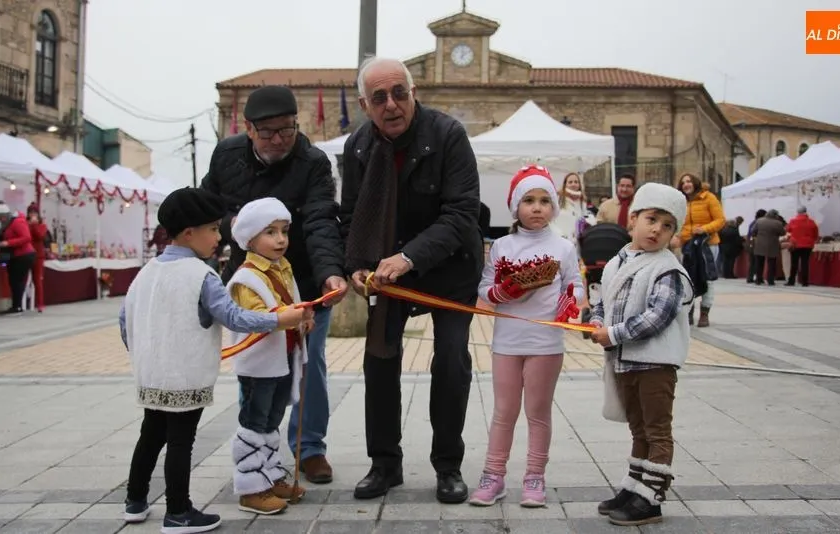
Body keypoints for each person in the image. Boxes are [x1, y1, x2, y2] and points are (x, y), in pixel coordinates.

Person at [118, 187, 308, 533]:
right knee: (180, 440)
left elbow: (124, 320)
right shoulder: (201, 275)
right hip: (186, 373)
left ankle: (135, 501)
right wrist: (277, 320)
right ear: (190, 233)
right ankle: (178, 511)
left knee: (151, 434)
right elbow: (234, 317)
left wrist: (144, 356)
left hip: (150, 374)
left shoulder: (145, 272)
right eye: (213, 230)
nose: (219, 238)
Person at [340, 56, 484, 504]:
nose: (392, 104)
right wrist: (358, 264)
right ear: (366, 104)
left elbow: (462, 214)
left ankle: (448, 466)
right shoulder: (358, 146)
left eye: (399, 93)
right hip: (388, 269)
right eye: (379, 97)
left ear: (413, 92)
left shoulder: (448, 135)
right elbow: (351, 216)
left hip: (450, 267)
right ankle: (384, 464)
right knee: (379, 360)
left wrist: (408, 257)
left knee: (450, 361)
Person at [200, 85, 346, 484]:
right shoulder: (226, 155)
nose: (280, 140)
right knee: (255, 366)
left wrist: (331, 271)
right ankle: (259, 447)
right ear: (249, 129)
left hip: (302, 280)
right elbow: (206, 208)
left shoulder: (314, 162)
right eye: (268, 132)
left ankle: (310, 447)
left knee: (307, 363)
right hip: (249, 284)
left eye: (288, 129)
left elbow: (320, 219)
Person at [469, 166, 582, 508]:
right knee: (503, 412)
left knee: (538, 412)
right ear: (515, 206)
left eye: (545, 201)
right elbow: (485, 290)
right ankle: (493, 475)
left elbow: (576, 287)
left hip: (546, 346)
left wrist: (568, 304)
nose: (537, 207)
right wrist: (506, 290)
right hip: (506, 343)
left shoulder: (563, 247)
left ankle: (535, 477)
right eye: (529, 200)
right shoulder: (502, 245)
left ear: (554, 207)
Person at [588, 183, 693, 527]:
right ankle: (634, 488)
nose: (657, 230)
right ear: (633, 219)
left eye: (667, 225)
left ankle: (652, 498)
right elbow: (602, 300)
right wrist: (596, 321)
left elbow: (657, 316)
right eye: (652, 219)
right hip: (626, 361)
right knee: (638, 430)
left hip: (655, 364)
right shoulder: (618, 261)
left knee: (657, 430)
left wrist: (612, 334)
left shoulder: (667, 269)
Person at [225, 197, 314, 515]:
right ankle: (250, 488)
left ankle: (270, 474)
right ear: (250, 239)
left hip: (283, 359)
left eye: (284, 231)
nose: (280, 239)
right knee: (254, 422)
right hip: (259, 365)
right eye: (271, 232)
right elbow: (255, 317)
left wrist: (304, 318)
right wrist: (287, 316)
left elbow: (294, 305)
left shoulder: (283, 268)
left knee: (273, 420)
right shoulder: (246, 278)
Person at [675, 174, 725, 327]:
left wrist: (704, 229)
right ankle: (689, 312)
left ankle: (704, 313)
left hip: (707, 244)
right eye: (683, 182)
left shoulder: (708, 198)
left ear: (695, 182)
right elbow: (678, 223)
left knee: (707, 278)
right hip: (688, 245)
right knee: (687, 279)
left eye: (689, 181)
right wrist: (681, 235)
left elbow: (720, 220)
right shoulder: (680, 201)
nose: (686, 184)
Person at [0, 202, 35, 315]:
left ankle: (18, 306)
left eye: (1, 217)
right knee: (13, 280)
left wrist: (8, 243)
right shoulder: (7, 224)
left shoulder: (17, 222)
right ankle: (15, 305)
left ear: (6, 215)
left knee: (17, 280)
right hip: (14, 255)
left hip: (23, 255)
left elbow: (26, 238)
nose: (0, 220)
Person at [554, 172, 595, 245]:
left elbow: (585, 217)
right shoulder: (558, 199)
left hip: (578, 244)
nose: (573, 184)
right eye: (570, 182)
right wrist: (560, 235)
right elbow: (551, 221)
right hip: (561, 241)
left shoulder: (583, 201)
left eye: (576, 182)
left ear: (579, 185)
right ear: (565, 184)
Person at [785, 206, 819, 287]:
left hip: (795, 245)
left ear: (798, 212)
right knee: (805, 263)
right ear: (805, 212)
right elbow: (816, 234)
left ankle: (791, 281)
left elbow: (787, 230)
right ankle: (805, 282)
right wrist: (812, 240)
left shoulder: (793, 221)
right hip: (807, 245)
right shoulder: (811, 222)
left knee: (794, 263)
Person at [751, 210, 786, 286]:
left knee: (759, 263)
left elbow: (753, 231)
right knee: (771, 263)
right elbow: (783, 233)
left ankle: (758, 279)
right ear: (775, 215)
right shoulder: (778, 223)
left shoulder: (759, 221)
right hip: (772, 244)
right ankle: (770, 280)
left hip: (760, 244)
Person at [26, 203, 48, 312]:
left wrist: (34, 225)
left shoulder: (42, 226)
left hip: (38, 256)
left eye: (34, 213)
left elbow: (40, 236)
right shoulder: (25, 224)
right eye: (31, 213)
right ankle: (23, 302)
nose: (33, 215)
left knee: (37, 281)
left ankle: (40, 304)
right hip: (27, 254)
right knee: (24, 279)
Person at [745, 209, 767, 283]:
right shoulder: (760, 223)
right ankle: (758, 277)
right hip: (757, 243)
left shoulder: (753, 222)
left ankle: (750, 277)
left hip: (751, 243)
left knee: (752, 261)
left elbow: (749, 233)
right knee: (758, 261)